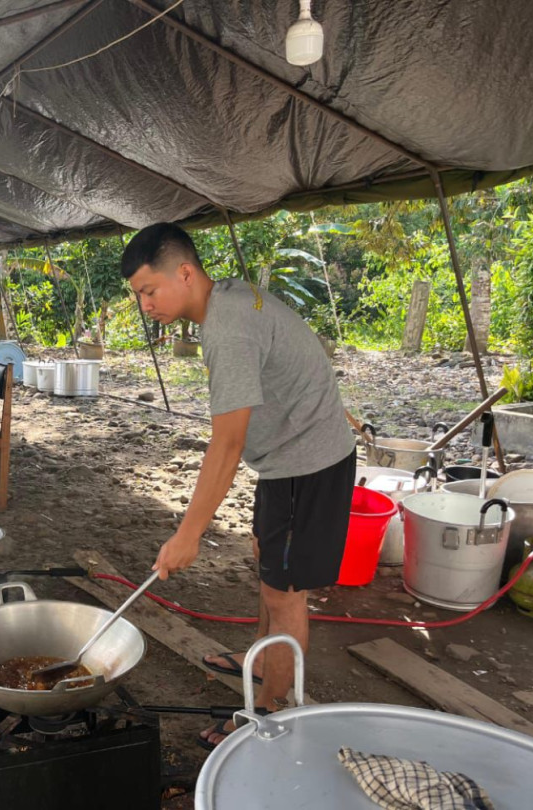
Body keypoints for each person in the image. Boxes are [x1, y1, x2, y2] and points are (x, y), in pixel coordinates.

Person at [120, 222, 356, 750]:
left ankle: (270, 714)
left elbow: (226, 445)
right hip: (284, 460)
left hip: (308, 463)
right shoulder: (224, 296)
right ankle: (260, 657)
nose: (146, 305)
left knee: (285, 591)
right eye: (140, 296)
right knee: (270, 565)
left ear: (184, 272)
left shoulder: (226, 328)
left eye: (149, 291)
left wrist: (188, 534)